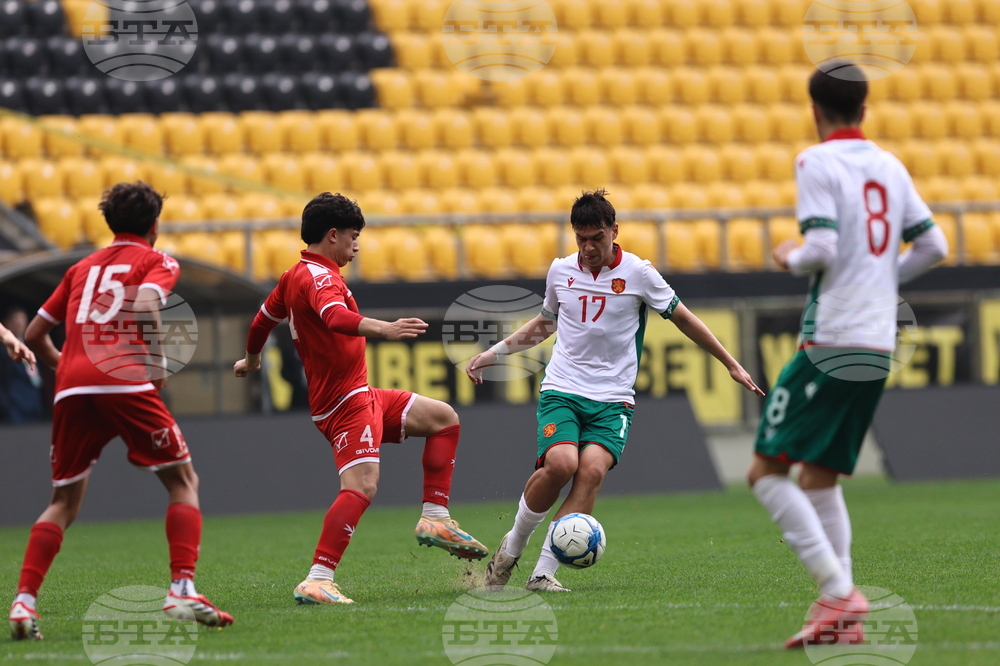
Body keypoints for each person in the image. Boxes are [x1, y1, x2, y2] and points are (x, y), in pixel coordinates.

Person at [467, 189, 764, 593]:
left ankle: (542, 572)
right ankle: (509, 552)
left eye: (597, 238)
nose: (589, 248)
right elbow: (544, 323)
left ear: (614, 232)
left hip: (613, 399)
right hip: (563, 389)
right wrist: (495, 353)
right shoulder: (560, 271)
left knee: (589, 471)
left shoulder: (639, 273)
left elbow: (684, 319)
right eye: (581, 238)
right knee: (560, 465)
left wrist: (731, 363)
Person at [747, 63, 949, 649]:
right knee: (819, 476)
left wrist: (788, 256)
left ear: (815, 110)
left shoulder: (816, 161)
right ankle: (844, 622)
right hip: (878, 340)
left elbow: (823, 247)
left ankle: (837, 590)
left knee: (765, 470)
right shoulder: (889, 164)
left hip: (831, 337)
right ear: (863, 109)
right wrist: (883, 282)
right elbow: (934, 244)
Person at [234, 192, 488, 606]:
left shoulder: (293, 275)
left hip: (361, 393)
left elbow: (263, 320)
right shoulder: (321, 278)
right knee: (362, 485)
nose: (357, 244)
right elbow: (335, 318)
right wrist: (384, 329)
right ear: (332, 236)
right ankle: (318, 577)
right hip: (343, 402)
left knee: (443, 418)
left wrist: (251, 359)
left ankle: (436, 518)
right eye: (353, 236)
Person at [9, 182, 234, 641]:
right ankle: (182, 589)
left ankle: (24, 602)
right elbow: (149, 301)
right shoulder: (157, 260)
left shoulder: (80, 268)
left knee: (62, 503)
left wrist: (70, 368)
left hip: (72, 388)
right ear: (154, 226)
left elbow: (34, 334)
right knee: (183, 481)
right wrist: (155, 364)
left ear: (110, 223)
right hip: (124, 378)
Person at [0, 306, 45, 423]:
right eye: (16, 320)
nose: (20, 323)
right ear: (7, 323)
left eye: (22, 319)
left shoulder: (32, 346)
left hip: (34, 405)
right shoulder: (3, 350)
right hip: (14, 407)